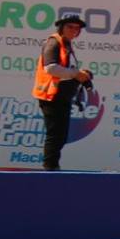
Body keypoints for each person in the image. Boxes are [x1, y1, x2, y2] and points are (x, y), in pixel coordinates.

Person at [32, 13, 92, 171]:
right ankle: (50, 169)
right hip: (51, 96)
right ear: (61, 27)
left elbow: (65, 70)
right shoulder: (54, 42)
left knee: (61, 135)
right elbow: (50, 68)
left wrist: (80, 74)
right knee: (55, 134)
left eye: (77, 28)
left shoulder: (66, 44)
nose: (74, 30)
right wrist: (76, 74)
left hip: (61, 96)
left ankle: (52, 168)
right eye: (70, 27)